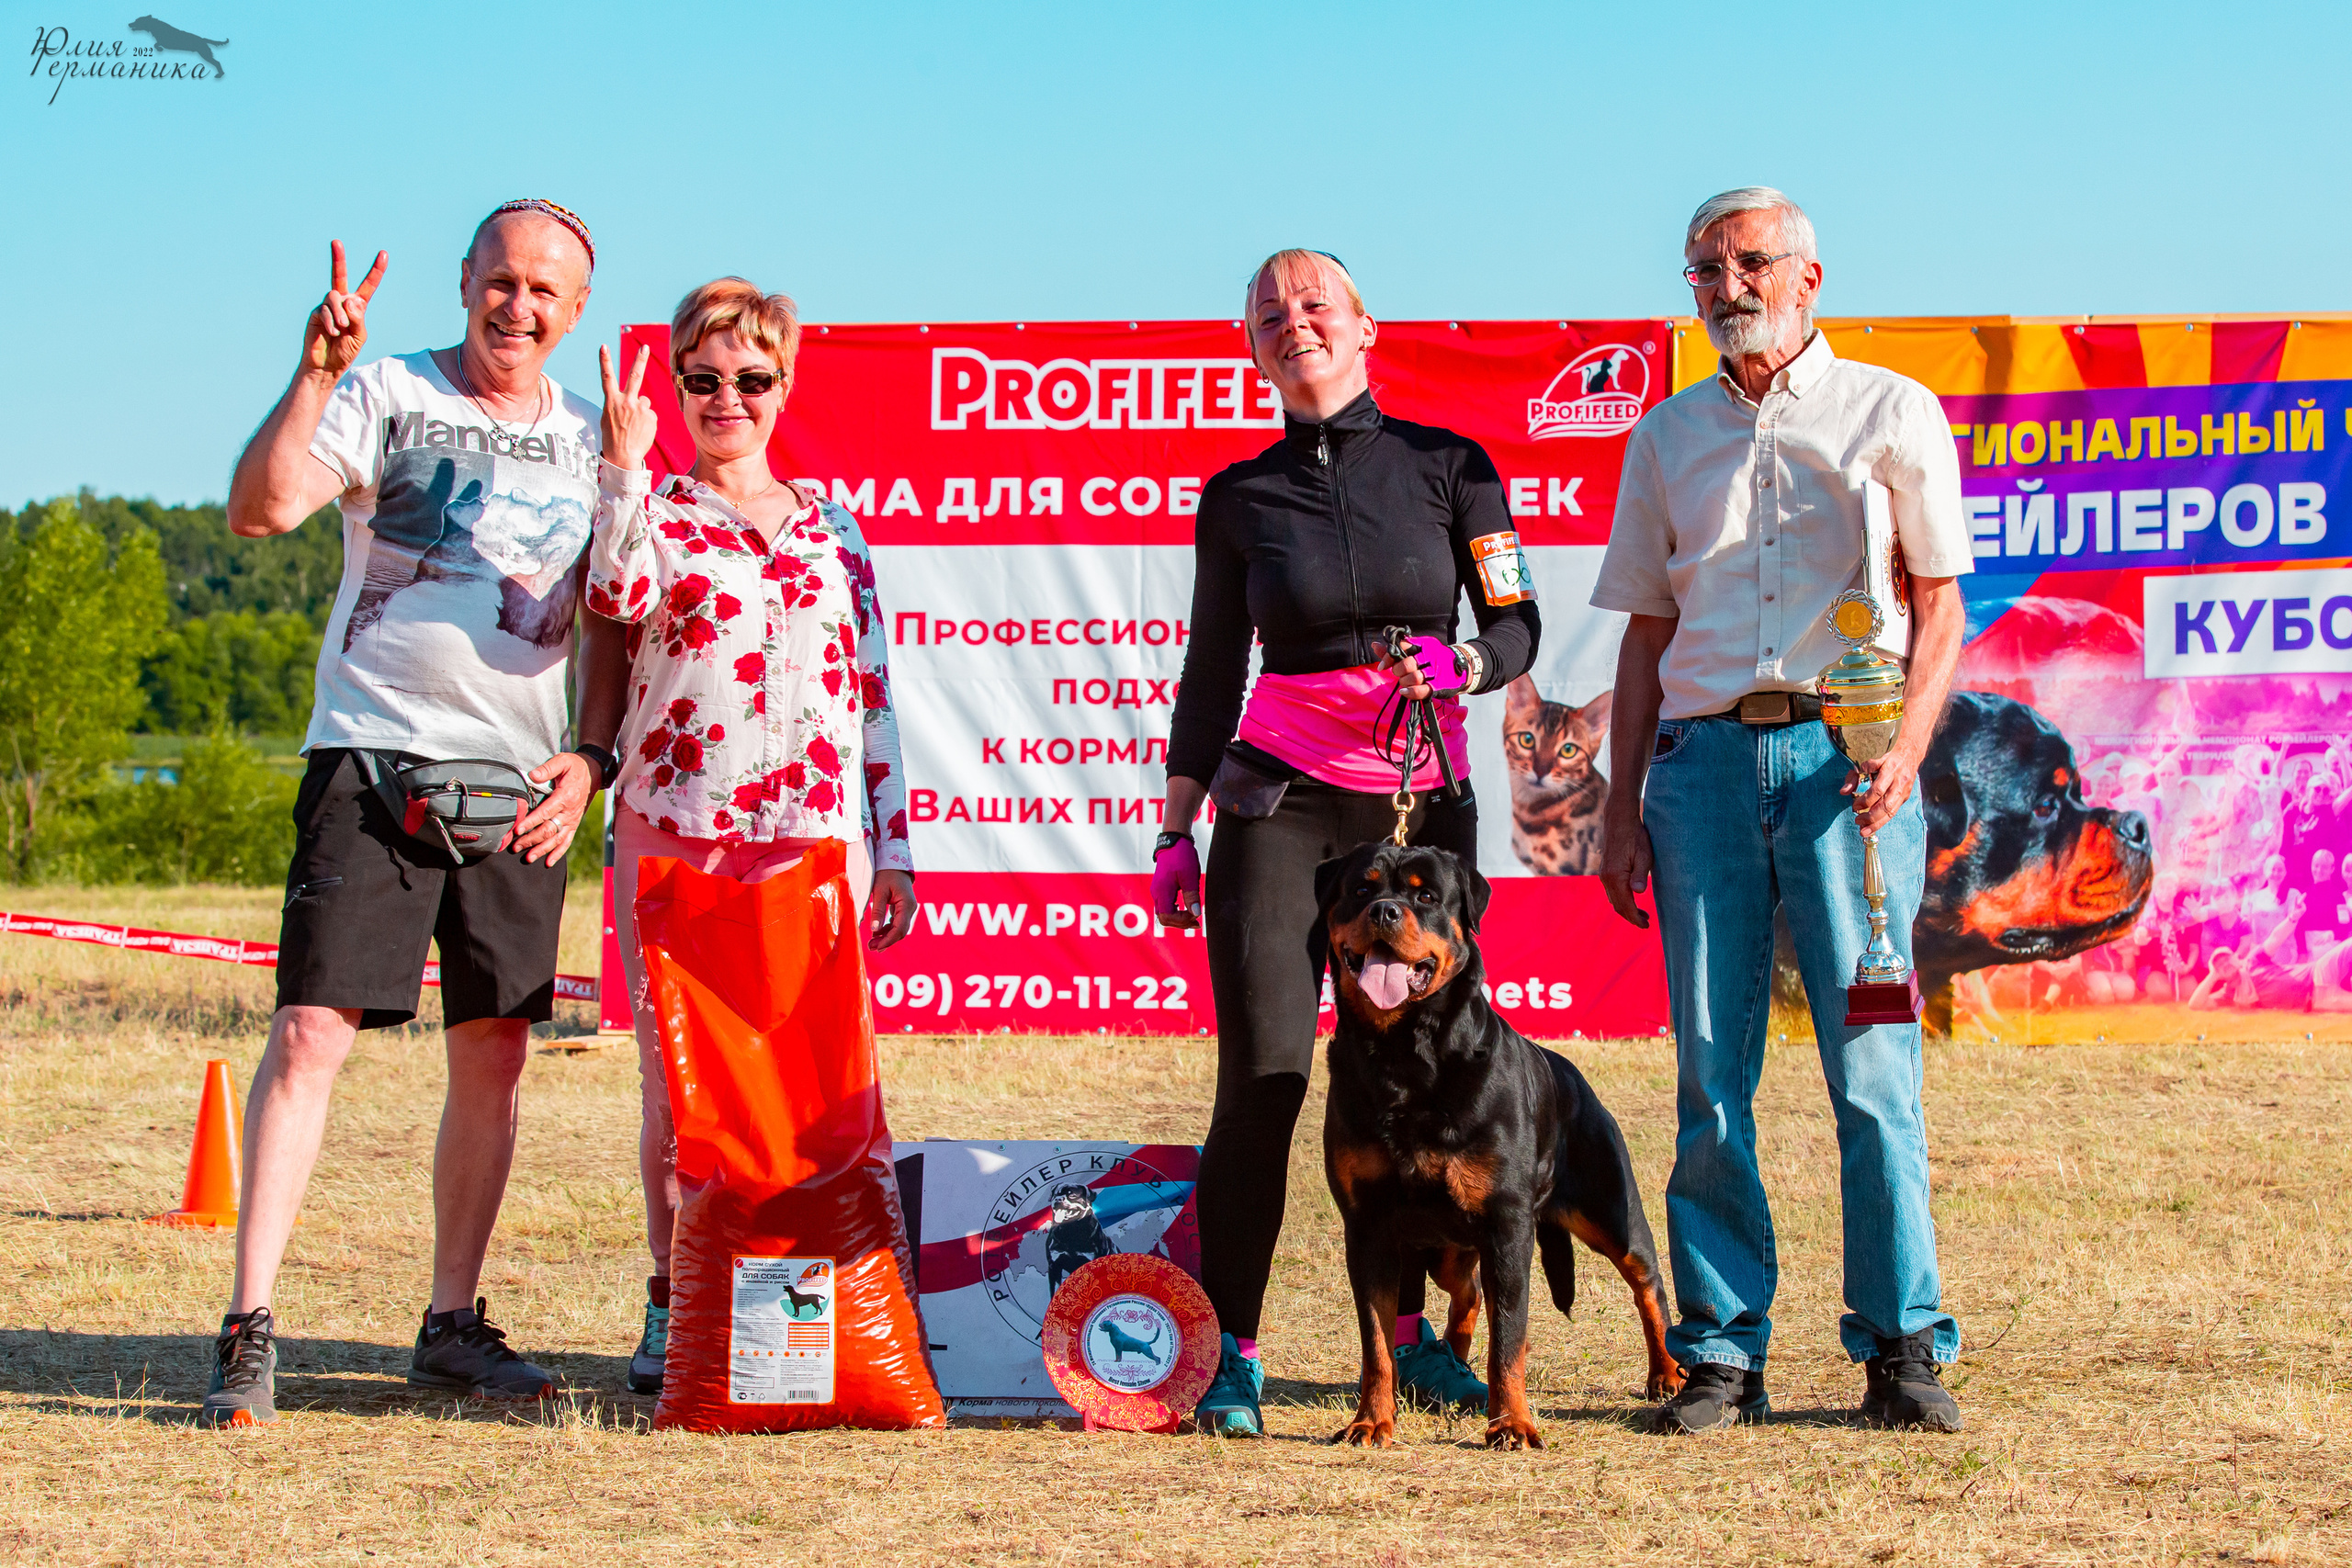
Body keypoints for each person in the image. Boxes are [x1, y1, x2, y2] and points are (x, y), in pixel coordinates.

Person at [207, 200, 620, 1427]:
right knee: (311, 1034)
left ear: (578, 308)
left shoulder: (597, 442)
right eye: (501, 280)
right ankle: (248, 1325)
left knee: (493, 1055)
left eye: (546, 290)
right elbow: (261, 508)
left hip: (520, 789)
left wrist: (589, 760)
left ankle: (451, 1324)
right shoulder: (384, 389)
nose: (519, 305)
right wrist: (314, 368)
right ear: (466, 279)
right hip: (372, 763)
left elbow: (609, 623)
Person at [1592, 187, 1975, 1434]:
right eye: (1704, 265)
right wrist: (1618, 802)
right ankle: (1718, 1353)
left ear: (1812, 274)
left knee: (1873, 1066)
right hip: (1701, 773)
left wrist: (1907, 747)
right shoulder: (1663, 439)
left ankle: (1903, 1344)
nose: (1726, 282)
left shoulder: (1891, 410)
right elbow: (1648, 632)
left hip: (1845, 772)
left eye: (1751, 260)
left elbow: (1939, 602)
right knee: (1711, 1073)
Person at [1159, 249, 1543, 1437]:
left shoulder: (1454, 466)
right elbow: (1214, 670)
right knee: (1267, 1079)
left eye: (1315, 303)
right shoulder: (1239, 496)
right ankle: (1235, 1351)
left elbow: (1517, 622)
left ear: (1366, 326)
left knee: (1427, 1083)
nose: (1294, 322)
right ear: (1251, 346)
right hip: (1279, 808)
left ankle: (1423, 1340)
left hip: (1425, 812)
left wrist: (1468, 662)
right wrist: (1177, 828)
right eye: (1269, 314)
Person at [580, 278, 918, 1395]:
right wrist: (623, 471)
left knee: (813, 1087)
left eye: (751, 379)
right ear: (675, 387)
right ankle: (675, 1299)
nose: (728, 398)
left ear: (784, 386)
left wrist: (896, 845)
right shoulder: (656, 511)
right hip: (679, 827)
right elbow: (618, 595)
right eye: (703, 380)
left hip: (813, 836)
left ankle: (805, 1310)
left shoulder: (835, 526)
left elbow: (869, 692)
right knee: (680, 1094)